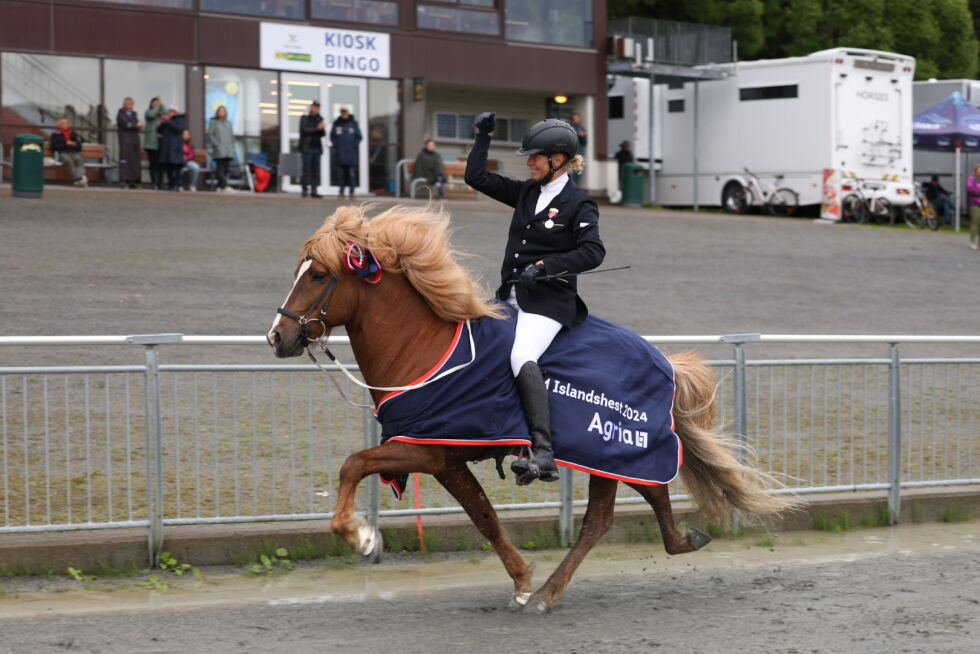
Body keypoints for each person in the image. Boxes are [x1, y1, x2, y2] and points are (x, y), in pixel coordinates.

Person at [464, 112, 605, 485]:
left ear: (558, 160)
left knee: (520, 355)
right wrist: (483, 136)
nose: (529, 163)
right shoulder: (527, 192)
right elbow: (475, 178)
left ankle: (543, 453)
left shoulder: (579, 204)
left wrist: (547, 266)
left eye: (535, 157)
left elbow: (593, 252)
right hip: (507, 297)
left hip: (548, 303)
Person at [330, 106, 361, 200]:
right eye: (342, 112)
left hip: (350, 154)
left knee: (351, 174)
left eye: (346, 112)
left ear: (348, 113)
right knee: (341, 174)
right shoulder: (336, 124)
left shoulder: (353, 124)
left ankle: (352, 192)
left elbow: (359, 137)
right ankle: (341, 192)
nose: (344, 114)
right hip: (340, 154)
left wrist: (353, 146)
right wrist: (337, 146)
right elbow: (332, 137)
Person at [298, 100, 326, 198]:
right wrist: (316, 128)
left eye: (318, 107)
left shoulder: (320, 119)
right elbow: (304, 130)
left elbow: (323, 134)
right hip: (307, 148)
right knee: (306, 170)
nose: (316, 109)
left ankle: (314, 190)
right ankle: (305, 190)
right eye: (314, 107)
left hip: (317, 149)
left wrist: (322, 128)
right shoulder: (305, 118)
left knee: (315, 171)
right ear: (311, 107)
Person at [49, 117, 87, 187]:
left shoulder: (72, 133)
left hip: (74, 152)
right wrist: (65, 144)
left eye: (66, 123)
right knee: (69, 161)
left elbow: (79, 146)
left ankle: (79, 180)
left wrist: (73, 144)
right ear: (59, 125)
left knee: (79, 160)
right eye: (63, 123)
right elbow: (53, 147)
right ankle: (79, 179)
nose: (65, 125)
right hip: (62, 153)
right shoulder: (55, 134)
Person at [156, 104, 186, 191]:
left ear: (176, 112)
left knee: (176, 168)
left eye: (172, 111)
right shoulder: (167, 121)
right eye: (169, 111)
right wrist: (162, 122)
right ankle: (170, 184)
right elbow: (158, 130)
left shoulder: (179, 119)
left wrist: (168, 121)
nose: (170, 113)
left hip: (175, 148)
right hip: (166, 148)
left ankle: (176, 184)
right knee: (168, 167)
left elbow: (179, 128)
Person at [115, 97, 142, 189]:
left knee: (134, 161)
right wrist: (135, 125)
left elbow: (137, 126)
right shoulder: (120, 113)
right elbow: (126, 124)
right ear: (124, 104)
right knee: (125, 161)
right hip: (125, 141)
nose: (129, 105)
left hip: (134, 141)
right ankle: (124, 180)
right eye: (127, 103)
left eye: (131, 103)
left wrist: (135, 125)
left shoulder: (134, 114)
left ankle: (134, 181)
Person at [209, 105, 235, 193]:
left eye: (223, 111)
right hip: (219, 149)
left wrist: (232, 145)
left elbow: (231, 135)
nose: (222, 112)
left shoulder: (228, 123)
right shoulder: (214, 122)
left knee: (226, 168)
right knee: (220, 167)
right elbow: (211, 135)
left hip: (228, 149)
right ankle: (225, 186)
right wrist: (217, 144)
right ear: (217, 112)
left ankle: (219, 187)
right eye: (220, 111)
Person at [144, 96, 166, 189]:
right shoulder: (148, 112)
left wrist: (162, 105)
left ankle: (160, 183)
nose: (157, 105)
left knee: (161, 164)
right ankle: (154, 183)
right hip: (152, 143)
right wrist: (157, 106)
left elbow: (166, 113)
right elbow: (152, 114)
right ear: (151, 105)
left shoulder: (162, 116)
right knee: (153, 163)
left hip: (161, 142)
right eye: (154, 103)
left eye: (158, 104)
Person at [569, 112, 587, 182]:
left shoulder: (582, 128)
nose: (577, 120)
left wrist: (583, 136)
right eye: (575, 118)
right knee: (572, 172)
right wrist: (579, 134)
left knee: (578, 172)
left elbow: (585, 142)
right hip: (572, 153)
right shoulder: (570, 127)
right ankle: (571, 189)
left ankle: (573, 188)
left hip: (580, 153)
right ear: (572, 120)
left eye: (578, 118)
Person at [966, 164, 980, 250]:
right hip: (974, 203)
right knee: (976, 221)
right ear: (976, 170)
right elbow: (970, 189)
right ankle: (973, 242)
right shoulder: (971, 178)